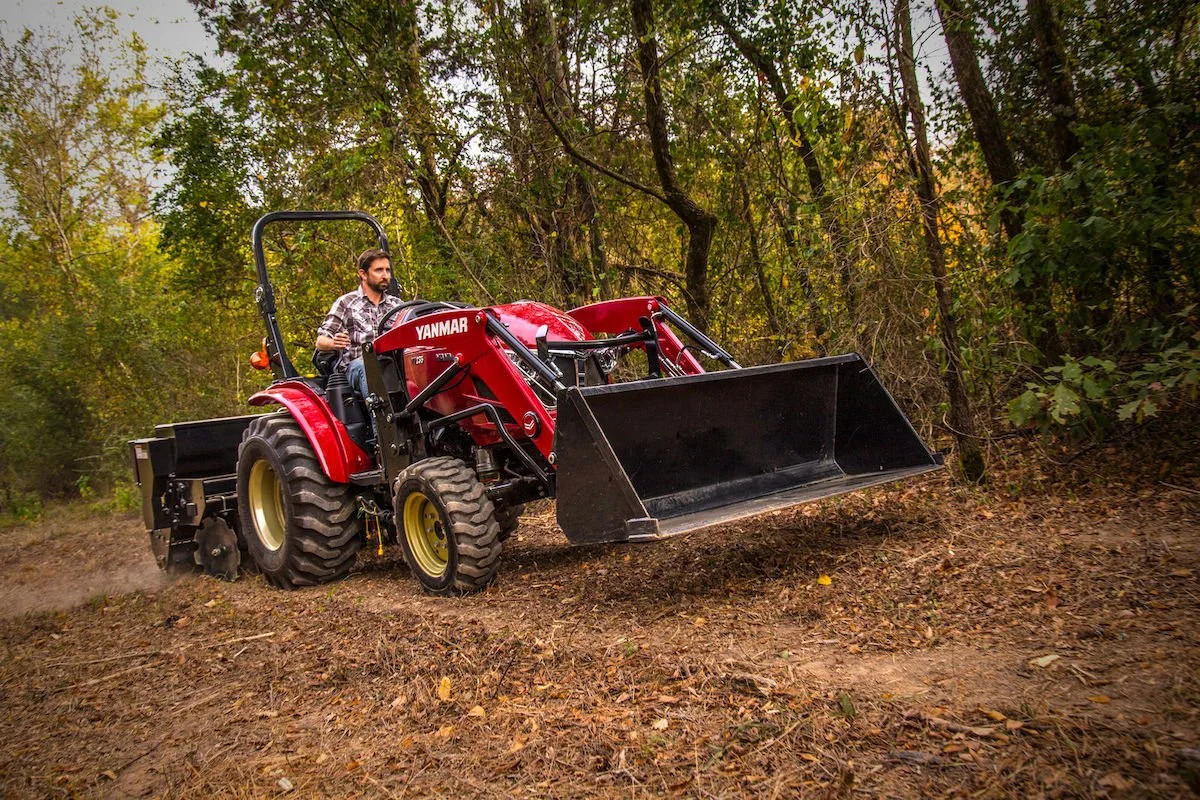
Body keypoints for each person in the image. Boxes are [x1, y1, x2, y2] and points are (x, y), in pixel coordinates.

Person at [315, 248, 404, 403]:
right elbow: (320, 342)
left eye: (388, 270)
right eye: (379, 270)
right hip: (357, 366)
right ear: (363, 274)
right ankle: (383, 425)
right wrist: (332, 342)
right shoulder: (346, 303)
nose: (385, 275)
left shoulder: (397, 305)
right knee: (370, 367)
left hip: (394, 364)